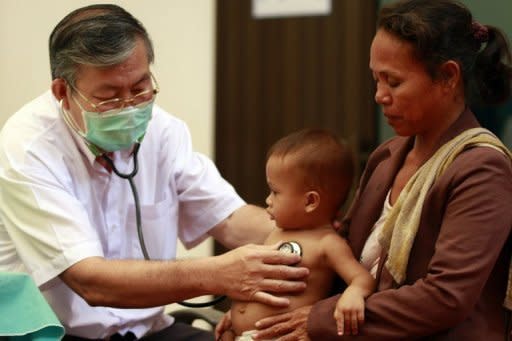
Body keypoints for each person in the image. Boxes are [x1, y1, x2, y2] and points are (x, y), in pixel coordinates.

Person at [0, 4, 310, 340]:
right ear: (63, 92)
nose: (130, 107)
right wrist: (218, 274)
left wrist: (310, 233)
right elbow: (90, 280)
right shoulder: (28, 147)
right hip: (60, 334)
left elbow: (231, 221)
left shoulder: (163, 130)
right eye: (108, 97)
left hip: (148, 330)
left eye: (139, 87)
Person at [244, 0, 512, 340]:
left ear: (447, 76)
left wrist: (321, 319)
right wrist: (257, 313)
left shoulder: (482, 168)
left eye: (394, 82)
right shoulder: (388, 155)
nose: (379, 96)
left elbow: (446, 297)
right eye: (376, 79)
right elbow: (345, 254)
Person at [216, 129, 375, 340]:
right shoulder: (277, 233)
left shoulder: (327, 243)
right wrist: (235, 313)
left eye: (275, 192)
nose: (268, 200)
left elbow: (362, 278)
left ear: (310, 202)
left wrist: (354, 294)